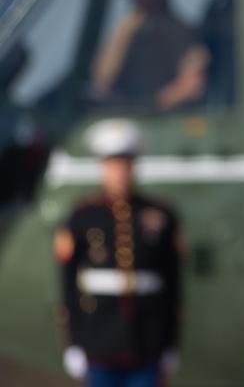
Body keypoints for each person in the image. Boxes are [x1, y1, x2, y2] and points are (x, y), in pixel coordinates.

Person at [54, 119, 182, 386]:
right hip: (99, 339)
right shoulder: (83, 217)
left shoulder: (160, 215)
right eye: (113, 165)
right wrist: (74, 342)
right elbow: (68, 285)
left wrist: (170, 342)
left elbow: (173, 284)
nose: (120, 172)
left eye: (125, 164)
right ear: (102, 168)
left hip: (147, 340)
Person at [91, 0, 209, 110]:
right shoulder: (126, 28)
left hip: (163, 119)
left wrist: (152, 106)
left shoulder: (179, 32)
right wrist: (123, 33)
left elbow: (192, 84)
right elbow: (102, 81)